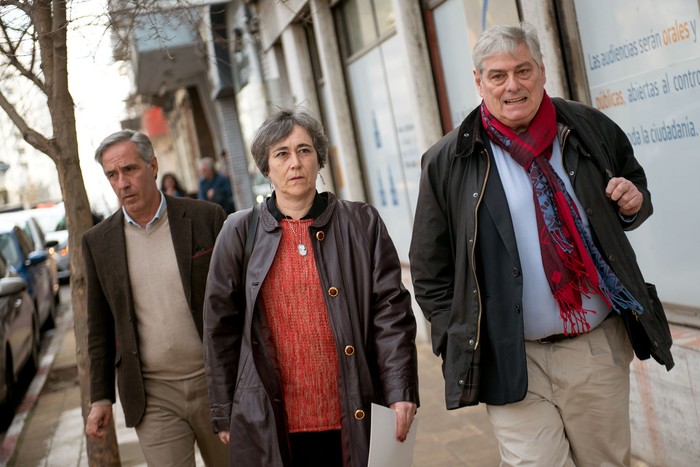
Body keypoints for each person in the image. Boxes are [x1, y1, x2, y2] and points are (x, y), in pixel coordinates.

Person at [409, 23, 674, 467]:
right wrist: (457, 340)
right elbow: (429, 268)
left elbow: (634, 188)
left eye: (522, 70)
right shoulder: (449, 160)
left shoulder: (587, 127)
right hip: (511, 357)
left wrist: (632, 202)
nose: (512, 85)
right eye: (497, 75)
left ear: (542, 71)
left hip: (592, 347)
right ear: (478, 82)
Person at [203, 107, 419, 467]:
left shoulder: (361, 222)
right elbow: (219, 329)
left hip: (355, 410)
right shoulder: (239, 233)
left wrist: (400, 390)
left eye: (304, 150)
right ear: (265, 167)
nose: (295, 163)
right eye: (282, 154)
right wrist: (224, 409)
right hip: (274, 421)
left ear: (319, 158)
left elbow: (391, 313)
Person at [83, 130, 228, 466]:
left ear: (152, 166)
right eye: (112, 175)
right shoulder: (98, 242)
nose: (122, 183)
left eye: (130, 170)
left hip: (216, 384)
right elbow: (99, 325)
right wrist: (101, 398)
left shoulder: (207, 218)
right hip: (152, 397)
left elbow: (240, 303)